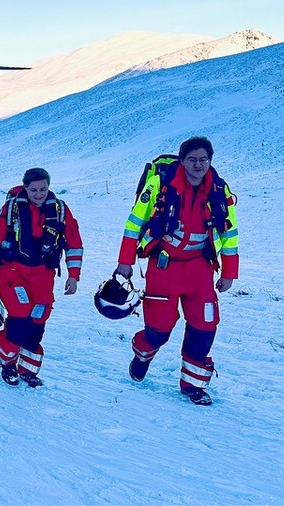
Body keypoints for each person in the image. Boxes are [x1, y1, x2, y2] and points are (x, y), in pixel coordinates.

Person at [114, 137, 238, 406]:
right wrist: (125, 261)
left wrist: (229, 271)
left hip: (201, 269)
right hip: (164, 266)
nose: (198, 165)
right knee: (159, 329)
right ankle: (143, 352)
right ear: (182, 161)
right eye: (192, 159)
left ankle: (193, 385)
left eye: (203, 159)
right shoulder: (160, 184)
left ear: (210, 161)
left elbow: (230, 232)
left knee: (204, 327)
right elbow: (135, 222)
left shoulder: (219, 189)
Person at [0, 168, 83, 387]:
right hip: (11, 272)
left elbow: (74, 244)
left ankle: (28, 369)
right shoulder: (11, 209)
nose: (38, 194)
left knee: (37, 321)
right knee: (20, 314)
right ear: (25, 188)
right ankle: (8, 364)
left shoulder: (61, 210)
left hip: (43, 276)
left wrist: (73, 276)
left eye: (43, 189)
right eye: (33, 189)